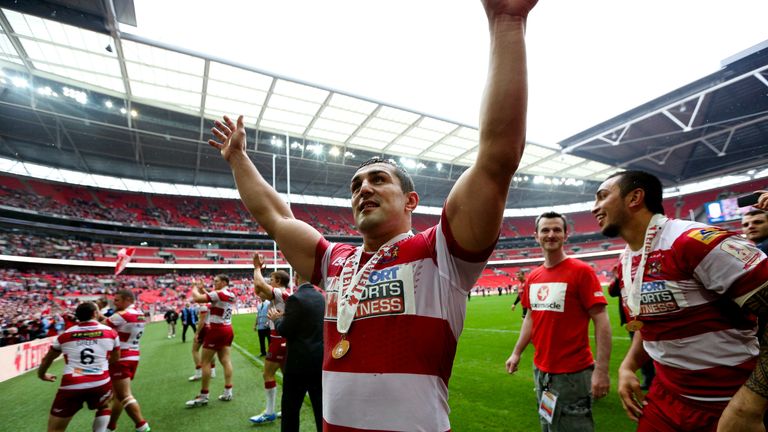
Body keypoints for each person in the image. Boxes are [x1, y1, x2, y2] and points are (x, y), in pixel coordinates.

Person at [207, 0, 537, 428]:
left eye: (379, 179)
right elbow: (276, 217)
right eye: (356, 185)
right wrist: (238, 160)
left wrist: (507, 22)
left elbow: (497, 159)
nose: (363, 188)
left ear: (411, 201)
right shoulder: (335, 261)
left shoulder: (441, 253)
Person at [591, 170, 768, 431]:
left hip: (726, 401)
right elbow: (650, 323)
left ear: (635, 198)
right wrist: (628, 366)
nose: (595, 207)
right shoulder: (627, 258)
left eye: (603, 196)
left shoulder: (693, 242)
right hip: (665, 399)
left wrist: (749, 405)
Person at [505, 211, 612, 431]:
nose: (551, 234)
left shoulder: (581, 271)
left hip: (573, 373)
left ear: (565, 235)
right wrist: (517, 352)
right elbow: (531, 318)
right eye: (545, 230)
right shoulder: (534, 277)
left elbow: (601, 320)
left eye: (556, 230)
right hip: (541, 372)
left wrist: (601, 370)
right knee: (548, 425)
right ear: (536, 236)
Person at [38, 302, 120, 432]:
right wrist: (98, 367)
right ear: (94, 313)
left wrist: (42, 374)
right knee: (105, 404)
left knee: (55, 429)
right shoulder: (111, 333)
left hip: (72, 384)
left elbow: (47, 359)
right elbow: (115, 359)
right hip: (100, 381)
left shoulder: (65, 335)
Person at [266, 269, 325, 432]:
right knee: (320, 408)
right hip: (318, 360)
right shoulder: (322, 297)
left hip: (298, 363)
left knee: (290, 409)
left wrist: (277, 320)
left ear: (296, 277)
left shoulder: (295, 298)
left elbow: (286, 330)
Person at [249, 255, 290, 425]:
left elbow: (259, 286)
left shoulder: (280, 293)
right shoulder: (279, 295)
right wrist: (258, 271)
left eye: (271, 279)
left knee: (268, 373)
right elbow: (258, 291)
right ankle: (286, 409)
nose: (269, 281)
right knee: (287, 376)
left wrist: (257, 267)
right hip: (282, 337)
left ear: (278, 280)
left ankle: (269, 412)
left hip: (278, 338)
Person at [186, 275, 236, 407]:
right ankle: (228, 391)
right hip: (228, 328)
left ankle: (204, 395)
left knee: (205, 362)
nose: (214, 283)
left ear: (224, 282)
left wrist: (194, 287)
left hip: (216, 329)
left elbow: (197, 299)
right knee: (226, 360)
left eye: (217, 281)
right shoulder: (230, 294)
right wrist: (203, 290)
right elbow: (214, 299)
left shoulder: (218, 293)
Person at [104, 289, 150, 432]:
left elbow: (100, 326)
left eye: (117, 300)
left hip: (120, 357)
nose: (114, 303)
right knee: (119, 395)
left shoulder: (121, 315)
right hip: (134, 355)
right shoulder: (140, 313)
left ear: (128, 300)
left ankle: (142, 425)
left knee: (124, 395)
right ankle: (110, 426)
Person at [188, 282, 216, 381]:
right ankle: (213, 371)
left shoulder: (203, 305)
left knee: (194, 350)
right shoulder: (211, 303)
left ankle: (199, 372)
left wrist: (196, 333)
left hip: (205, 328)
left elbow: (202, 321)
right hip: (211, 327)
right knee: (210, 350)